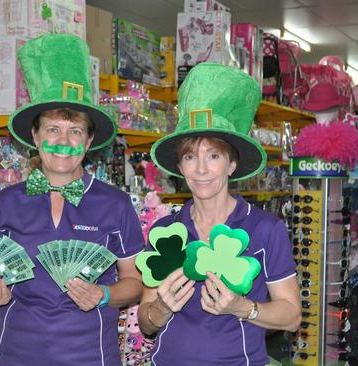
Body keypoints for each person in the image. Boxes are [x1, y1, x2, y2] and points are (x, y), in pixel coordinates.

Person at [0, 33, 144, 365]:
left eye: (75, 131)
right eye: (53, 129)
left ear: (89, 141)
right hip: (15, 352)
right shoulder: (6, 202)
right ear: (35, 135)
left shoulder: (116, 203)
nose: (63, 141)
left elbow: (134, 282)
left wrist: (104, 294)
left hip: (89, 355)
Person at [138, 63, 302, 365]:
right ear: (180, 166)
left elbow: (291, 317)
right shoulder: (166, 233)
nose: (201, 169)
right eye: (190, 156)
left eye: (213, 155)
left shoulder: (265, 228)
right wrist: (161, 308)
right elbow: (146, 322)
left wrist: (242, 307)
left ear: (231, 164)